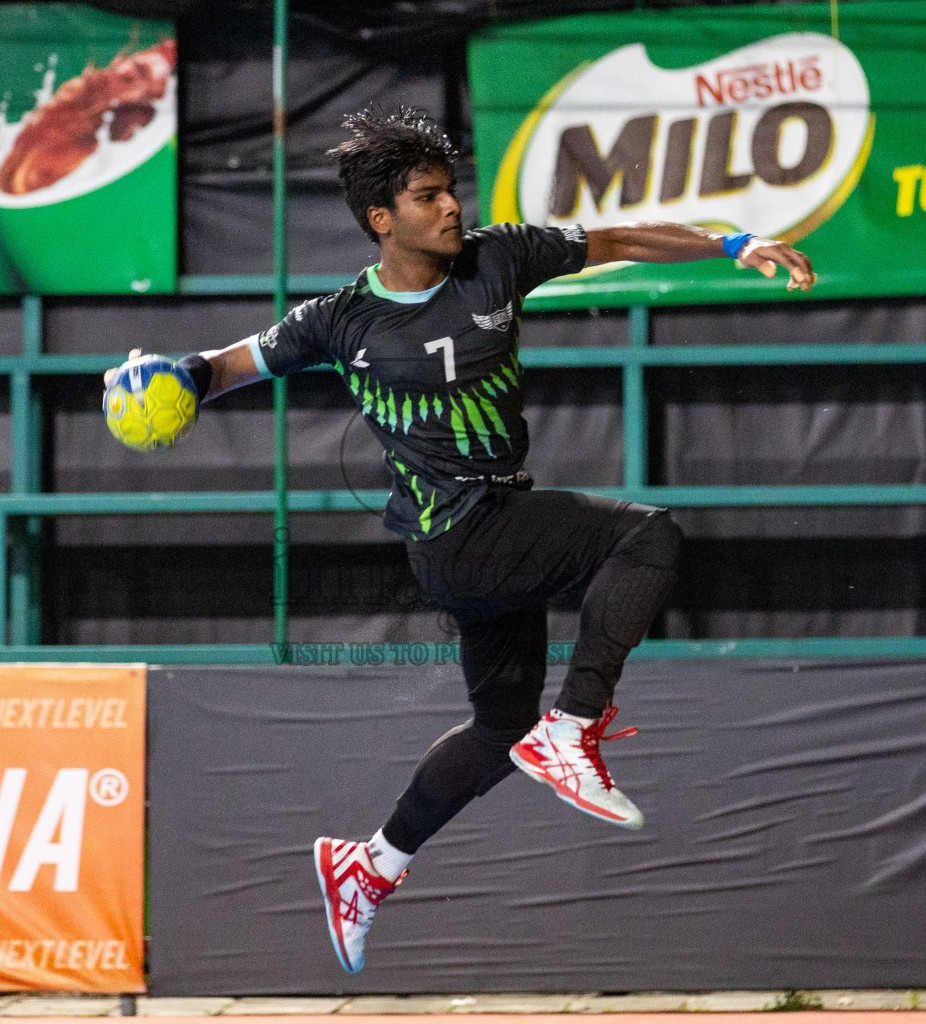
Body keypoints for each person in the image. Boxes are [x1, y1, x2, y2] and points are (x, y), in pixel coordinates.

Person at [106, 107, 815, 972]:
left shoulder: (498, 259)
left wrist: (732, 242)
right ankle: (577, 724)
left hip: (492, 535)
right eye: (428, 196)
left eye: (451, 190)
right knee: (649, 538)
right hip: (461, 538)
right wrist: (172, 376)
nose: (451, 207)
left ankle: (371, 863)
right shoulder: (338, 321)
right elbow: (225, 366)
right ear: (381, 220)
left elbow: (623, 237)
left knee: (498, 728)